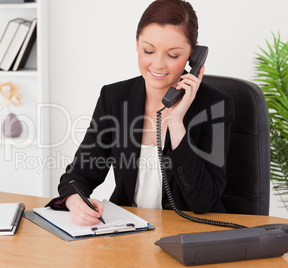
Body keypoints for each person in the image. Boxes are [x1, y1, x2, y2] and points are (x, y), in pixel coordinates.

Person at [47, 0, 234, 226]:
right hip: (129, 233)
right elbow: (79, 174)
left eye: (173, 55)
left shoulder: (215, 106)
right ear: (137, 43)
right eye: (148, 50)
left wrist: (176, 124)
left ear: (193, 55)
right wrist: (75, 201)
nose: (157, 64)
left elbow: (203, 202)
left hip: (189, 235)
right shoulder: (115, 98)